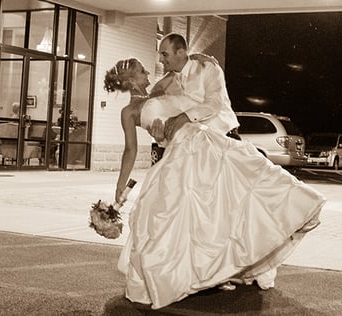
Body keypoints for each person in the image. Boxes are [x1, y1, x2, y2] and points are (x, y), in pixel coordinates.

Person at [103, 57, 325, 310]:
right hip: (179, 157)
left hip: (203, 142)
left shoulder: (160, 88)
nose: (148, 73)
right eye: (142, 71)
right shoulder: (128, 113)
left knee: (224, 204)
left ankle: (226, 269)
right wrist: (121, 185)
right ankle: (200, 275)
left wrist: (204, 58)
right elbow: (130, 150)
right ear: (132, 81)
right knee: (190, 217)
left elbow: (183, 71)